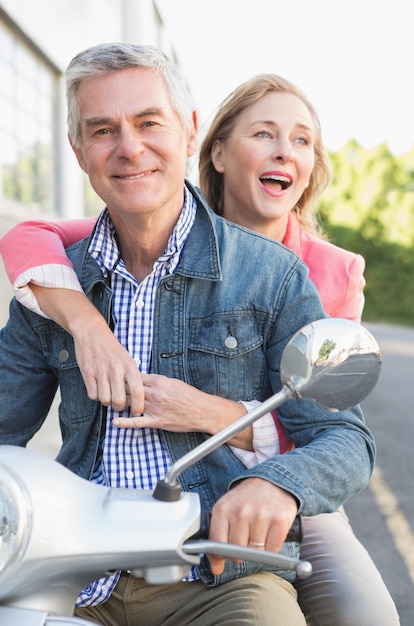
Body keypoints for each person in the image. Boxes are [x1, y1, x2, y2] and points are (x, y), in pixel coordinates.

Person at [0, 44, 377, 626]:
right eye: (103, 130)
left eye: (149, 122)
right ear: (78, 151)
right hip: (71, 570)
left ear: (190, 130)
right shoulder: (58, 285)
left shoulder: (274, 275)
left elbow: (343, 436)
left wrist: (276, 486)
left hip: (218, 575)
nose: (129, 148)